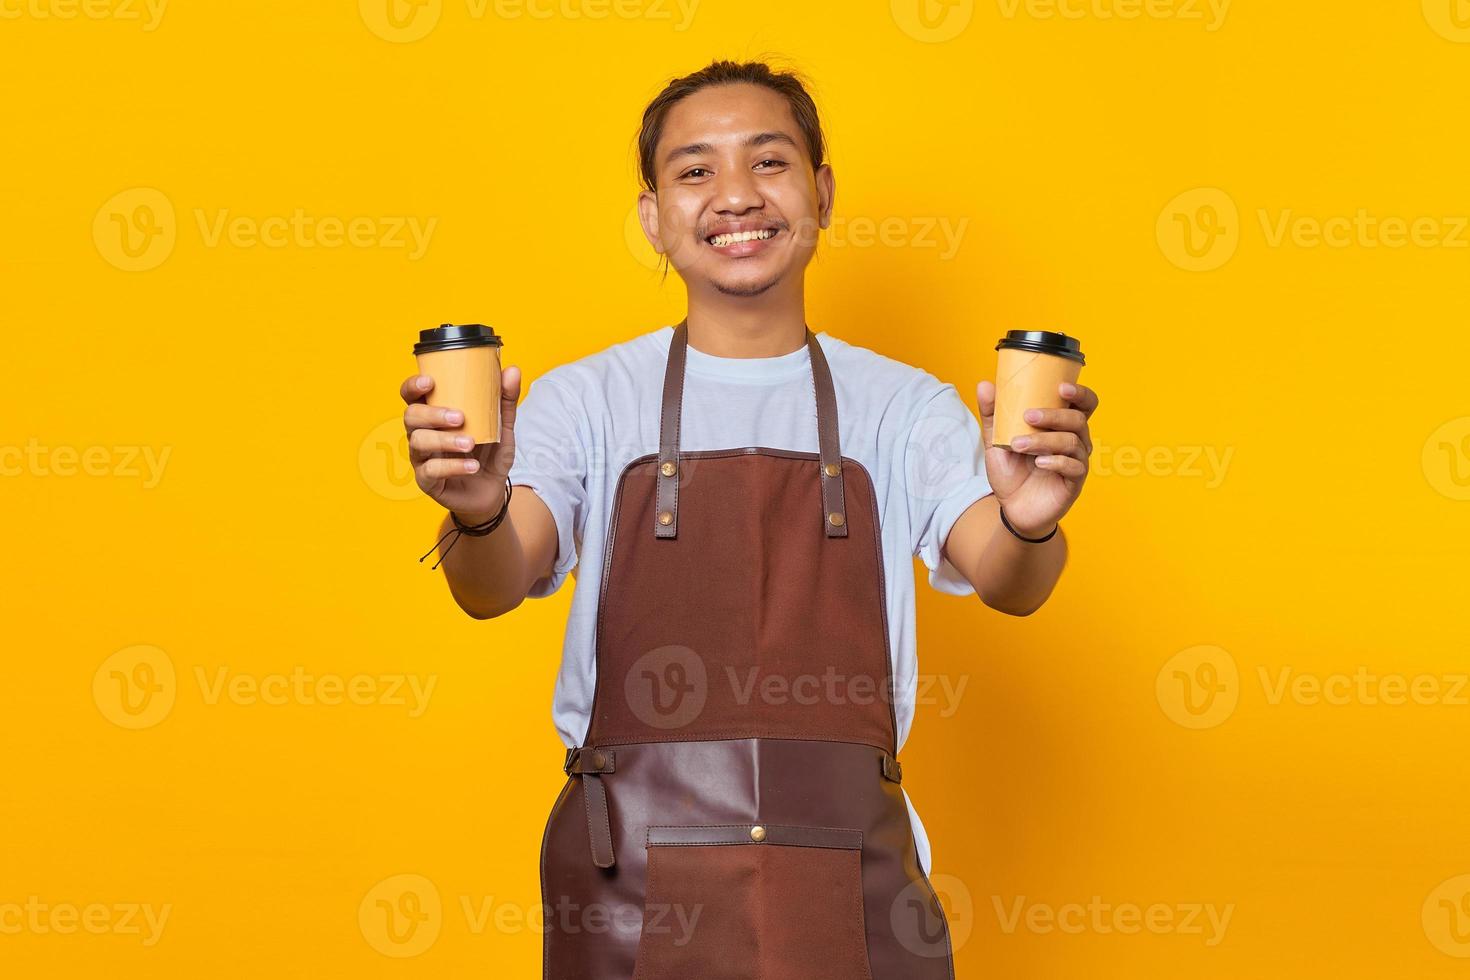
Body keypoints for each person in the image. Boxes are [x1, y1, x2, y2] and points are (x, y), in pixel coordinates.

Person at [398, 59, 1099, 979]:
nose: (735, 196)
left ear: (822, 191)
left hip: (851, 866)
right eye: (695, 171)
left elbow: (1009, 579)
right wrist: (480, 511)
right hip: (630, 882)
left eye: (769, 162)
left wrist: (1034, 520)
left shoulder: (904, 406)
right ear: (653, 215)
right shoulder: (586, 400)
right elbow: (491, 588)